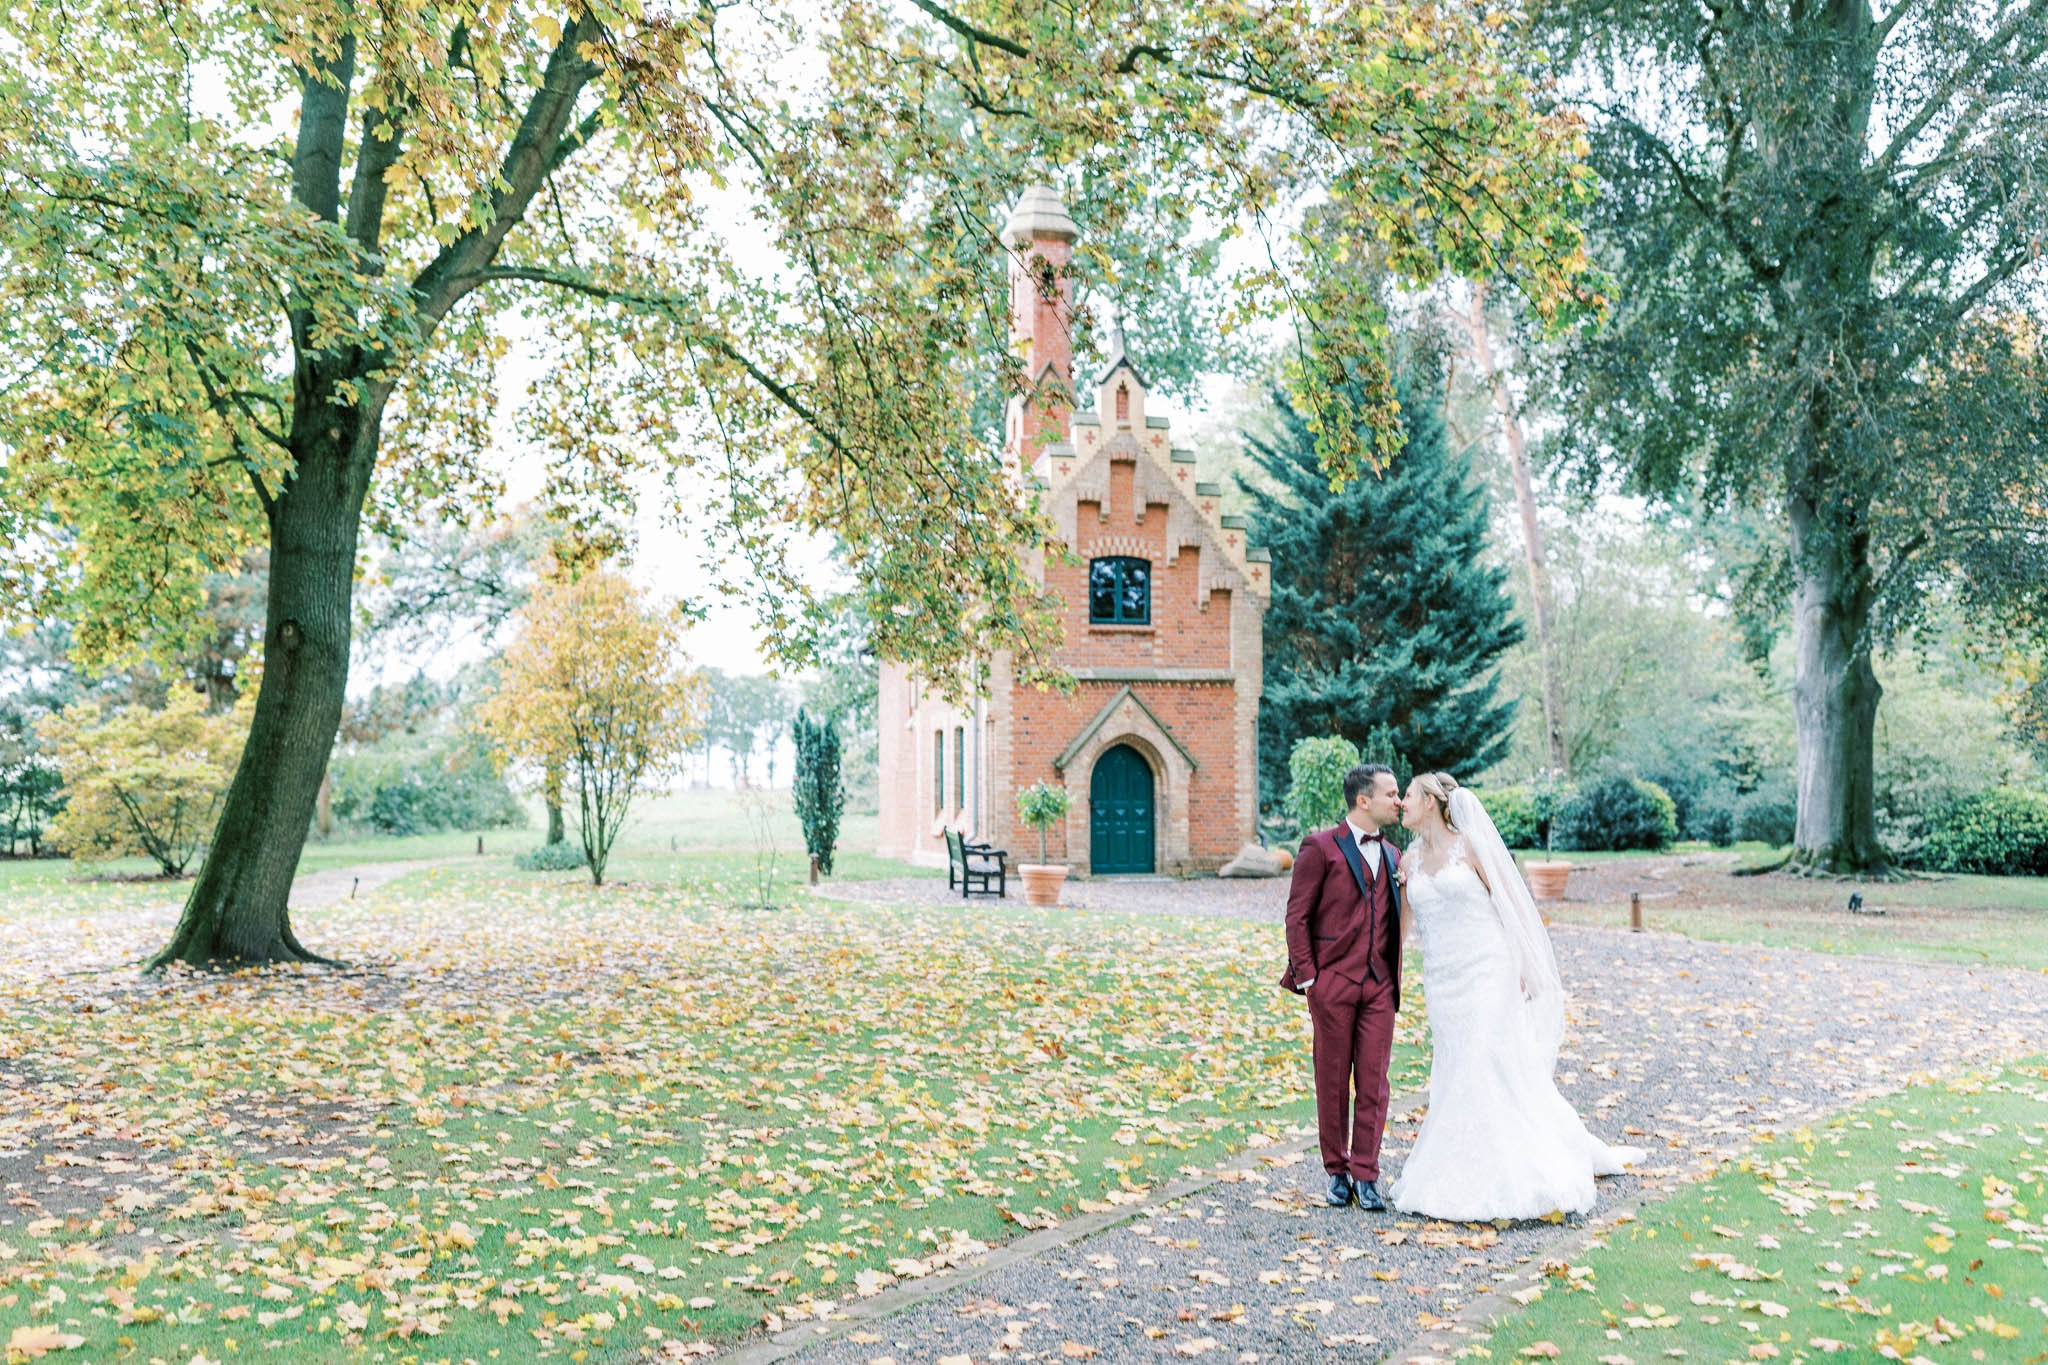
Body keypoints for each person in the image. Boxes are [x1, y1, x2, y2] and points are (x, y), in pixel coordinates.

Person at [1386, 772, 1644, 1221]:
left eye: (1407, 795)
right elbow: (1404, 927)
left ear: (1431, 801)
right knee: (1456, 1066)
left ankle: (1511, 1169)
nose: (1400, 803)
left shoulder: (1469, 847)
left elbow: (1509, 903)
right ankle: (1458, 1163)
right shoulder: (1409, 858)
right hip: (1443, 981)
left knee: (1486, 1057)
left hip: (1489, 969)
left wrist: (1526, 964)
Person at [1281, 763, 1406, 1210]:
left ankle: (1367, 1173)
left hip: (1378, 988)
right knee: (1331, 1079)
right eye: (1392, 794)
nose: (1399, 800)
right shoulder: (1320, 848)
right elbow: (1297, 916)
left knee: (1374, 1082)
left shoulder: (1393, 856)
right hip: (1332, 983)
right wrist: (1310, 977)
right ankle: (1336, 1170)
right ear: (1363, 800)